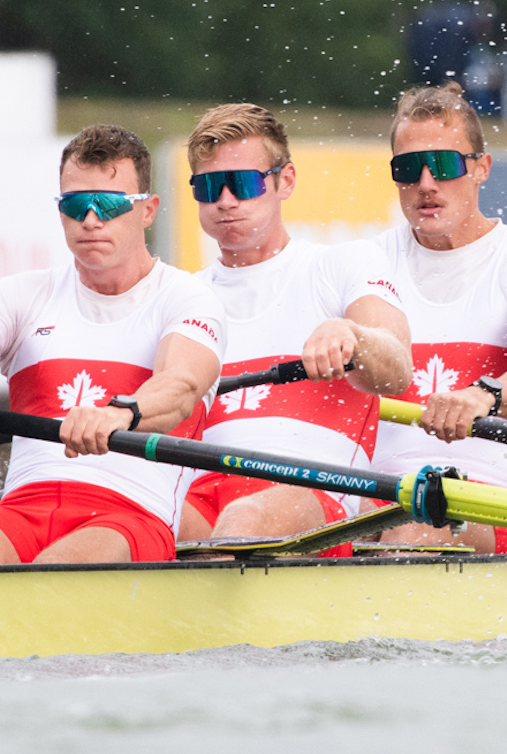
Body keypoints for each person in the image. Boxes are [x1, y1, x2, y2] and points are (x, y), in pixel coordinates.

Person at [0, 126, 223, 564]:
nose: (90, 219)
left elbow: (180, 386)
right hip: (22, 514)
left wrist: (120, 413)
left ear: (148, 211)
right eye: (75, 205)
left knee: (56, 570)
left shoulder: (187, 297)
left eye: (108, 204)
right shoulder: (23, 295)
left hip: (129, 518)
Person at [176, 102, 415, 544]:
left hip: (312, 492)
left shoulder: (340, 263)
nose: (225, 200)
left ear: (284, 181)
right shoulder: (181, 295)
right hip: (198, 494)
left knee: (244, 520)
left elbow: (398, 368)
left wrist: (353, 337)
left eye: (242, 183)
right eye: (209, 187)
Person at [375, 84, 507, 553]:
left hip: (487, 503)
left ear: (481, 168)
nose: (426, 183)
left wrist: (482, 396)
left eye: (444, 165)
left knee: (418, 526)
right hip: (372, 497)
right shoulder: (363, 264)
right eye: (408, 168)